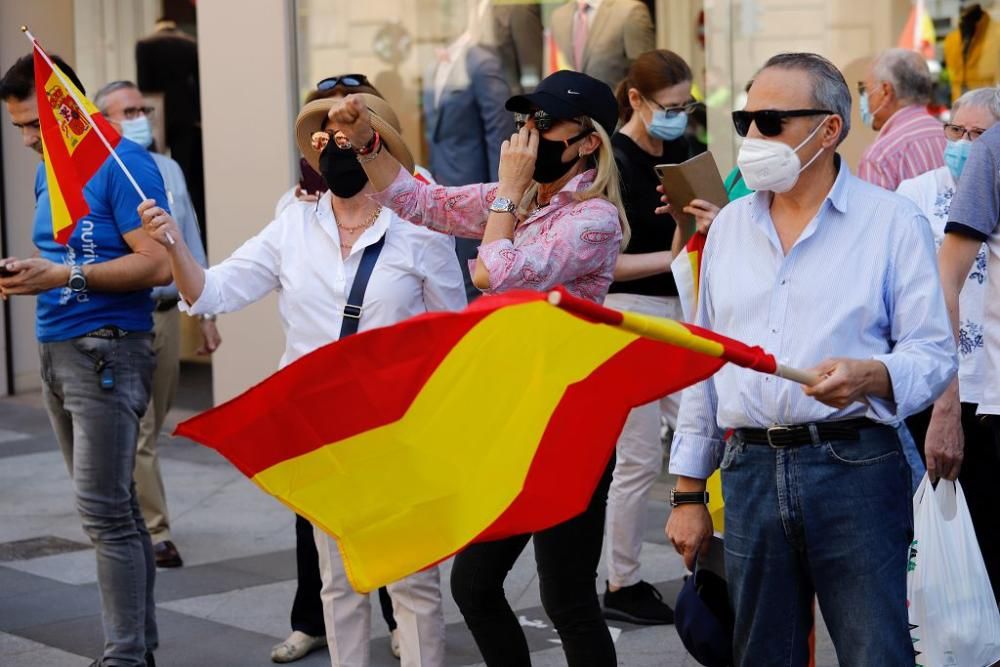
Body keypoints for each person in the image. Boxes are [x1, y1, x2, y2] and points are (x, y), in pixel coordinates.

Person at [139, 91, 462, 667]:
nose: (332, 151)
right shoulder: (291, 225)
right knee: (336, 581)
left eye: (345, 138)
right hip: (320, 432)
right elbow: (211, 291)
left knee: (411, 582)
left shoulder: (422, 229)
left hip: (397, 431)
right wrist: (174, 245)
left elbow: (451, 338)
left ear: (376, 146)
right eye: (322, 141)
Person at [665, 52, 956, 665]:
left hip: (857, 465)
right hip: (747, 471)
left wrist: (872, 375)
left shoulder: (891, 222)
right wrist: (688, 492)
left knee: (876, 649)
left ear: (829, 129)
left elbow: (932, 352)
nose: (751, 137)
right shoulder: (727, 230)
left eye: (770, 121)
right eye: (744, 120)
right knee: (763, 652)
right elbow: (705, 361)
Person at [329, 68, 627, 666]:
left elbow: (496, 272)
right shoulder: (520, 198)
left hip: (570, 427)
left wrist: (507, 193)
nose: (525, 135)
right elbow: (420, 202)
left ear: (587, 141)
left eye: (542, 124)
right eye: (522, 120)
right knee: (474, 585)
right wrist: (367, 142)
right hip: (511, 422)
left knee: (567, 598)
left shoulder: (592, 221)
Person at [1, 54, 172, 667]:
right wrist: (35, 271)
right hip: (60, 346)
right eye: (18, 128)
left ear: (63, 104)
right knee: (116, 508)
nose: (25, 140)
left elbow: (156, 265)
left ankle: (125, 655)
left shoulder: (122, 162)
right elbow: (66, 249)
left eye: (32, 125)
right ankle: (138, 649)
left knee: (104, 511)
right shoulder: (55, 165)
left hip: (108, 349)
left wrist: (65, 273)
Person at [270, 74, 408, 664]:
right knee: (319, 528)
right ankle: (315, 621)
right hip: (317, 396)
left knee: (390, 521)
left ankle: (402, 618)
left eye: (348, 126)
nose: (335, 136)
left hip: (385, 401)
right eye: (324, 128)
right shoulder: (297, 206)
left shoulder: (409, 197)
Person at [94, 79, 222, 571]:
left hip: (168, 316)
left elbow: (189, 237)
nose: (139, 116)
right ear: (104, 120)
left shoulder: (167, 167)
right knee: (143, 427)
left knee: (152, 422)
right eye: (126, 111)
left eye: (141, 108)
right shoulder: (102, 172)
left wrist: (206, 314)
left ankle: (129, 511)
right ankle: (155, 530)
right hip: (128, 315)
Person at [600, 48, 705, 626]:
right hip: (632, 314)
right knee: (637, 457)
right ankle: (622, 580)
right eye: (670, 106)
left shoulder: (685, 151)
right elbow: (603, 263)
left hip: (682, 308)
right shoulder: (611, 161)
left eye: (687, 105)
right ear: (636, 99)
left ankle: (707, 565)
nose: (680, 116)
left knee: (703, 433)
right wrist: (668, 252)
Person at [935, 88, 1000, 604]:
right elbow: (947, 279)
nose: (963, 142)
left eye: (971, 132)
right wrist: (946, 400)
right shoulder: (994, 152)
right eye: (956, 131)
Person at [425, 0, 514, 302]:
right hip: (440, 193)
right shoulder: (433, 64)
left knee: (475, 283)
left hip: (474, 194)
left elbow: (498, 133)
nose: (438, 15)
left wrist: (501, 198)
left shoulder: (480, 62)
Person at [857, 48, 945, 190]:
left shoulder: (880, 157)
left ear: (885, 91)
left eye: (865, 90)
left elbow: (873, 212)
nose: (865, 99)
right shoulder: (951, 138)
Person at [550, 0, 655, 90]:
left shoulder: (631, 11)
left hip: (617, 110)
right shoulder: (558, 16)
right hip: (572, 111)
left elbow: (645, 77)